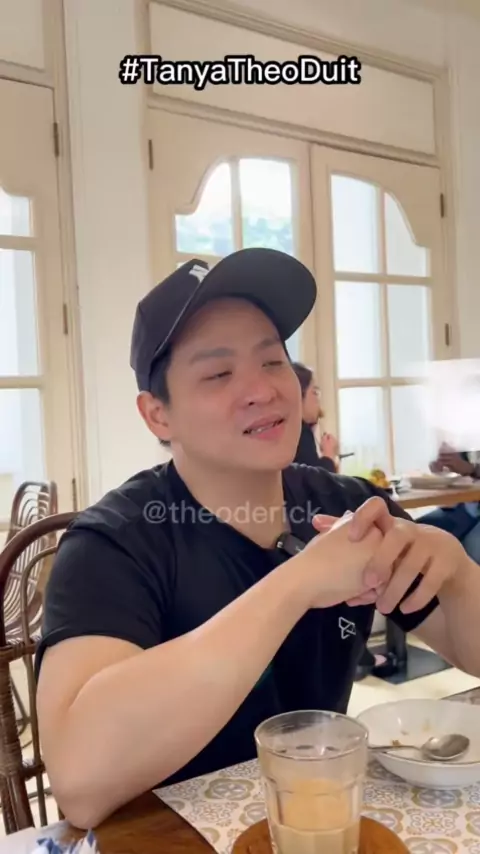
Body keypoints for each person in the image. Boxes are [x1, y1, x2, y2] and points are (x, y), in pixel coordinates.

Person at [36, 248, 480, 830]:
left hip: (314, 823)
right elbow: (79, 782)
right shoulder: (113, 543)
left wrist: (457, 572)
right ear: (158, 415)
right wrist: (297, 584)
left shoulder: (344, 506)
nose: (263, 390)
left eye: (273, 361)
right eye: (219, 374)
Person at [420, 443, 480, 564]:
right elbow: (466, 475)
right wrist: (445, 470)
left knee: (473, 548)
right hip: (463, 507)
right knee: (416, 531)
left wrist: (471, 468)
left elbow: (469, 469)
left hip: (472, 514)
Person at [291, 361, 339, 472]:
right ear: (298, 395)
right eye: (314, 392)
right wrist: (329, 455)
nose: (318, 400)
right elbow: (315, 481)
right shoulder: (301, 433)